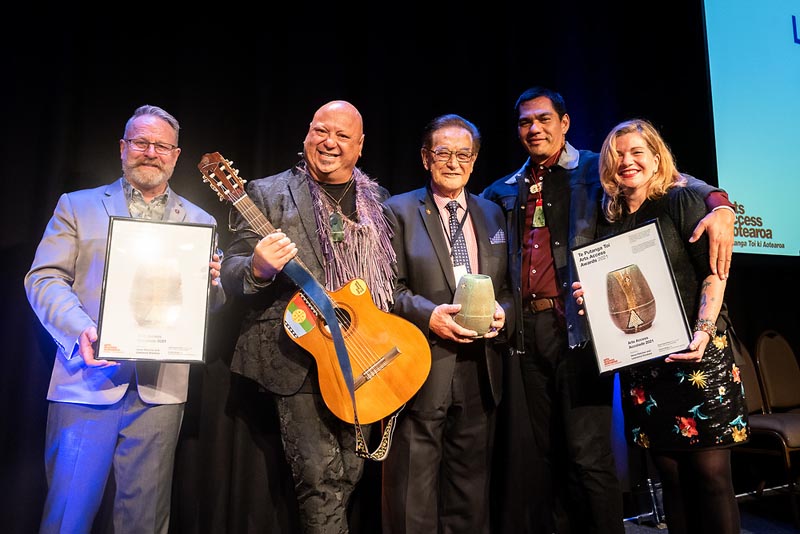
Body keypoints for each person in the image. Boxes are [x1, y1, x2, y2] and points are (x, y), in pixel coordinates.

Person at [480, 86, 736, 534]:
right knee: (558, 455)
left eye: (544, 119)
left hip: (591, 336)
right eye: (525, 121)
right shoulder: (506, 190)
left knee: (593, 455)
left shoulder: (596, 174)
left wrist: (722, 203)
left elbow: (680, 180)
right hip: (536, 334)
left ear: (565, 123)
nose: (534, 128)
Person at [24, 104, 226, 534]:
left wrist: (209, 287)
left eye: (161, 145)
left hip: (160, 392)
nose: (150, 152)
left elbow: (205, 310)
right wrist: (80, 329)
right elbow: (44, 278)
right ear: (122, 148)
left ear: (175, 155)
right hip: (85, 384)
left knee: (145, 523)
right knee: (67, 517)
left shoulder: (199, 221)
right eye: (141, 142)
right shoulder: (77, 207)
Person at [220, 100, 395, 534]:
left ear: (360, 146)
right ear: (306, 134)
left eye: (341, 135)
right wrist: (258, 267)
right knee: (318, 479)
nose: (329, 142)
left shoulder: (379, 201)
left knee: (351, 473)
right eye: (320, 131)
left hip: (359, 354)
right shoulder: (265, 193)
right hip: (295, 356)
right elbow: (230, 267)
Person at [572, 118, 748, 534]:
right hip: (645, 365)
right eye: (618, 155)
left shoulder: (680, 201)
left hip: (699, 355)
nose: (627, 162)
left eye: (637, 152)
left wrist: (704, 330)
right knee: (670, 476)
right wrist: (591, 301)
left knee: (711, 476)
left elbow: (714, 274)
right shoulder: (608, 219)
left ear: (656, 158)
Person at [381, 114, 512, 534]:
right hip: (421, 364)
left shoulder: (492, 213)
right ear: (425, 158)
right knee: (411, 492)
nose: (453, 162)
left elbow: (508, 287)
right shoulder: (396, 211)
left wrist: (503, 313)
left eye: (463, 154)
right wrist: (429, 316)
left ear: (474, 161)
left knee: (470, 492)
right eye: (443, 153)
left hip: (480, 369)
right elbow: (387, 290)